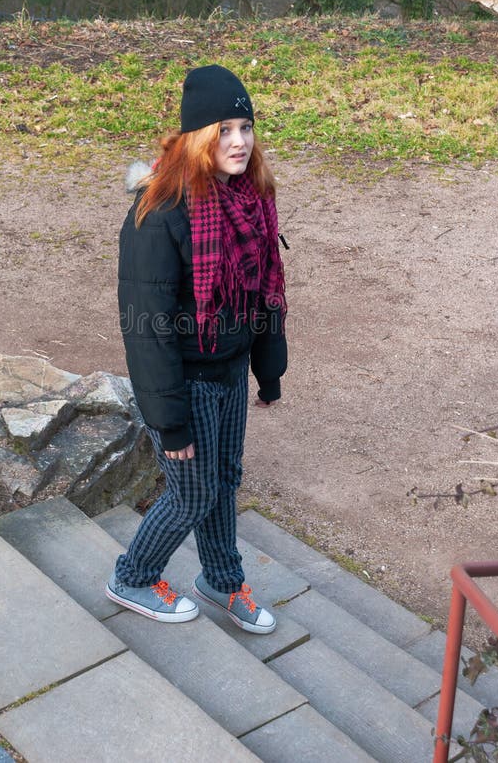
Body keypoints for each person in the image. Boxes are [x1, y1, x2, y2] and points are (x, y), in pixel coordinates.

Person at [105, 64, 287, 634]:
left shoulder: (249, 201)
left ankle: (222, 580)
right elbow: (146, 328)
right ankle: (133, 576)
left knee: (225, 480)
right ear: (197, 137)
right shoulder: (157, 215)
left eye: (245, 127)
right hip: (183, 381)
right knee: (191, 492)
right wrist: (170, 422)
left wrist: (268, 368)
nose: (238, 141)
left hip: (229, 371)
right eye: (223, 129)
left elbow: (262, 292)